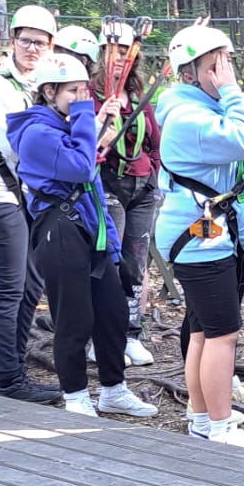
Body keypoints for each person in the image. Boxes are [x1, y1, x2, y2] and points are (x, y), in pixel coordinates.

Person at [7, 55, 159, 419]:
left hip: (89, 224)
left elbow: (91, 182)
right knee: (73, 315)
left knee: (113, 310)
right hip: (58, 227)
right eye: (72, 92)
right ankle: (75, 395)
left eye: (84, 91)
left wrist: (114, 247)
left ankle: (113, 389)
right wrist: (86, 120)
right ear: (49, 92)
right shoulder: (37, 133)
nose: (81, 98)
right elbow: (79, 168)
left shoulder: (66, 126)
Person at [154, 23, 244, 448]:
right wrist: (233, 92)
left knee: (203, 332)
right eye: (214, 66)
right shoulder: (189, 118)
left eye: (228, 63)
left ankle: (202, 419)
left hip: (212, 236)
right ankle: (220, 427)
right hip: (200, 240)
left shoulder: (208, 109)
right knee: (223, 334)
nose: (225, 73)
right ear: (189, 74)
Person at [0, 3, 62, 405]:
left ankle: (14, 364)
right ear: (13, 41)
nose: (32, 48)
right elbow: (19, 148)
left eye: (41, 42)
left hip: (22, 200)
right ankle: (7, 379)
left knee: (29, 285)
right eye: (26, 41)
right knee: (8, 290)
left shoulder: (39, 87)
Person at [96, 19, 163, 369]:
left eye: (126, 52)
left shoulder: (138, 96)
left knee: (136, 263)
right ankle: (103, 335)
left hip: (142, 188)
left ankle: (132, 333)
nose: (120, 58)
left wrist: (153, 175)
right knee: (110, 261)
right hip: (108, 184)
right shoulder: (89, 95)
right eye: (114, 51)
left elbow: (154, 141)